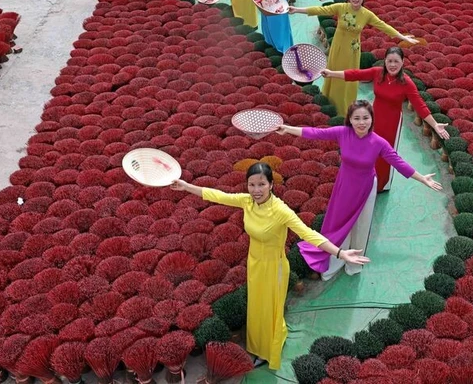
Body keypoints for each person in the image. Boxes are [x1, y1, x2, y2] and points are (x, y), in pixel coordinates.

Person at [171, 163, 368, 369]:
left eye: (261, 184)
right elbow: (217, 195)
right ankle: (257, 344)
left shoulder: (281, 210)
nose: (256, 190)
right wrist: (186, 186)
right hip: (255, 264)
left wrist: (340, 253)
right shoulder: (247, 202)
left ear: (271, 185)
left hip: (275, 269)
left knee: (268, 311)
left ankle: (266, 353)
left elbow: (308, 234)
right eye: (252, 184)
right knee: (256, 309)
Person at [276, 100, 442, 280]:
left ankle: (354, 263)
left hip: (365, 188)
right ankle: (334, 261)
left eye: (366, 118)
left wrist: (422, 178)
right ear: (350, 120)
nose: (362, 122)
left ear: (372, 119)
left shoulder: (378, 142)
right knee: (338, 223)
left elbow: (398, 162)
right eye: (357, 118)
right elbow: (317, 133)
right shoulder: (343, 133)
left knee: (361, 226)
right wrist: (288, 129)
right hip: (344, 186)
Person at [320, 47, 451, 192]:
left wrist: (434, 125)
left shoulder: (406, 83)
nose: (392, 65)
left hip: (392, 123)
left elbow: (420, 105)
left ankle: (380, 185)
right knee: (366, 148)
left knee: (384, 154)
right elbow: (356, 74)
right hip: (374, 119)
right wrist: (332, 73)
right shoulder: (377, 73)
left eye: (396, 61)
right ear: (385, 61)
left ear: (402, 62)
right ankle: (363, 178)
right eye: (389, 61)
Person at [289, 0, 418, 115]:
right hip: (338, 48)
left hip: (352, 52)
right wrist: (297, 9)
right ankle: (329, 101)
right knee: (333, 72)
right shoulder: (341, 7)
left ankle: (345, 108)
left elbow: (383, 26)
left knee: (348, 76)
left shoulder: (366, 14)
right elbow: (320, 10)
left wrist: (402, 37)